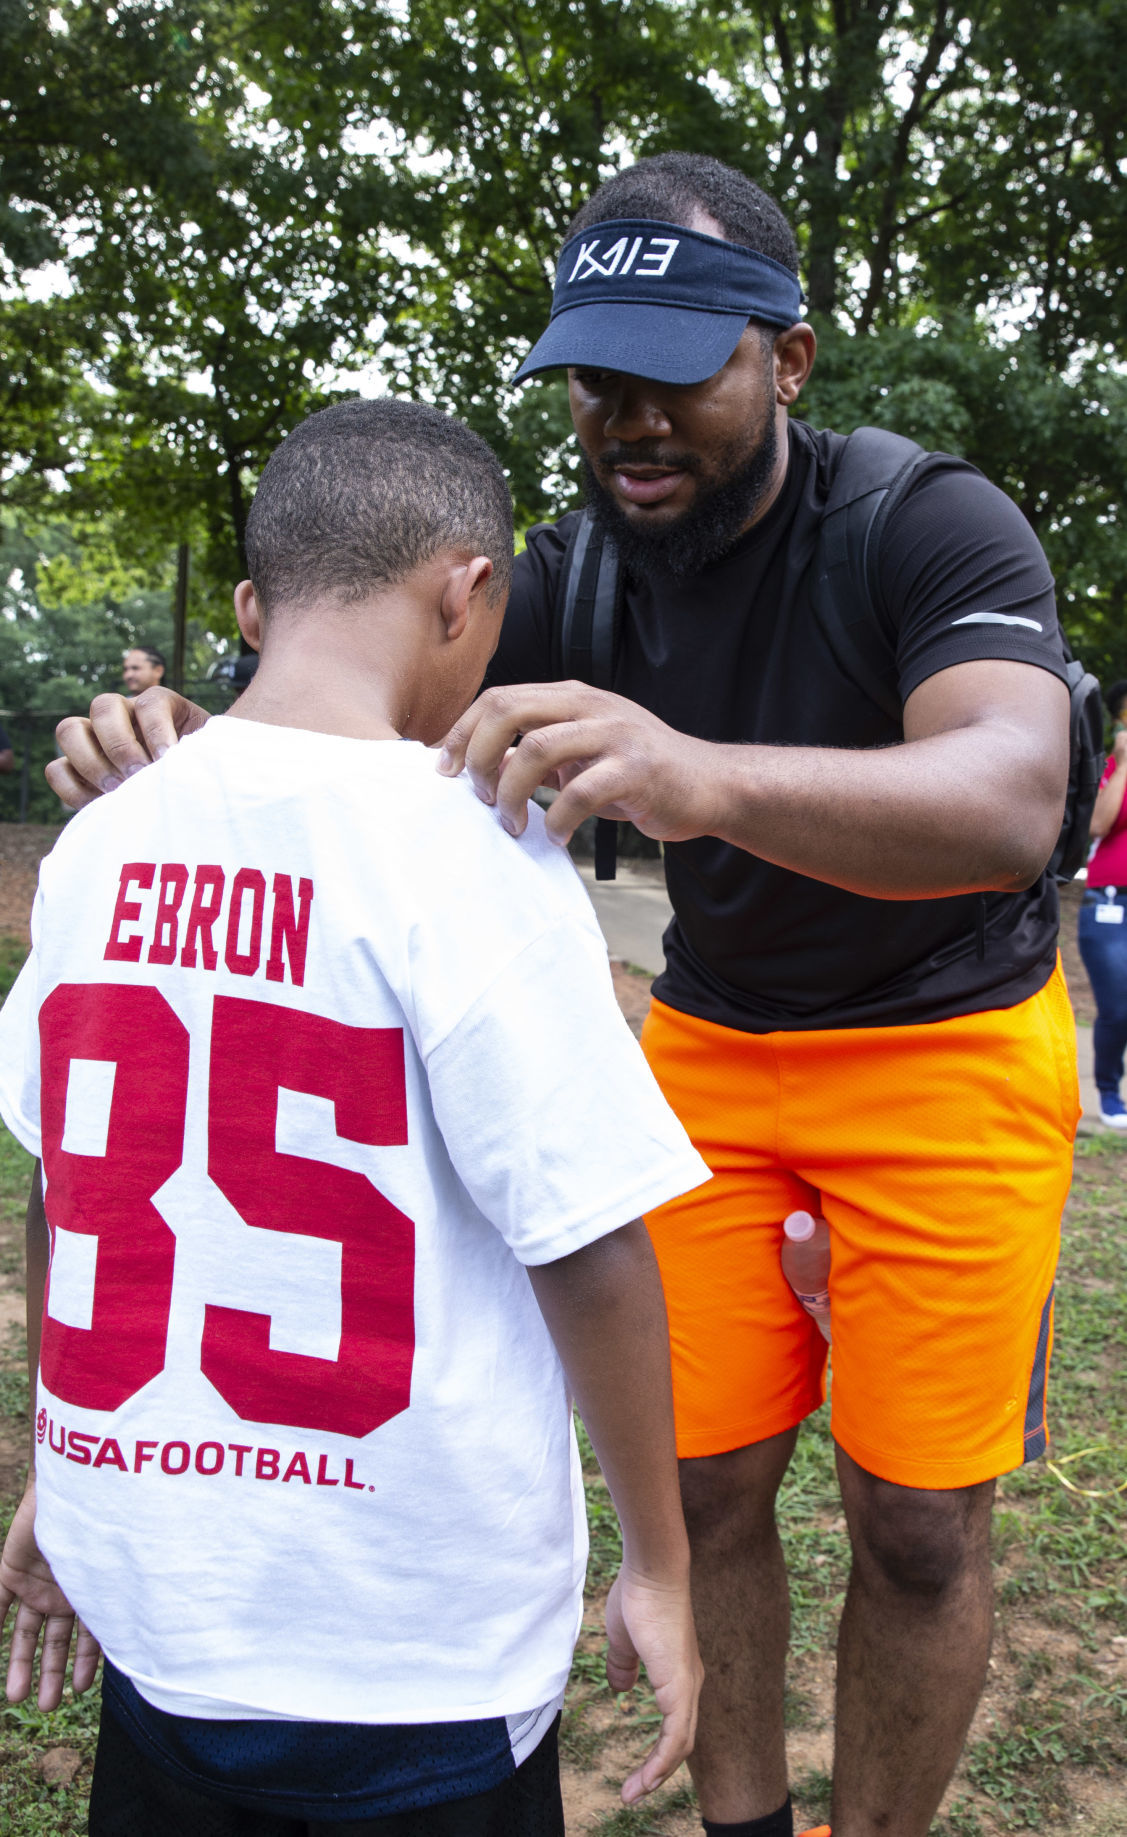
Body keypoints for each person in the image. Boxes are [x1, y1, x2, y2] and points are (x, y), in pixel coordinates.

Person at [44, 154, 1078, 1837]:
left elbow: (1007, 796)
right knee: (704, 1480)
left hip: (946, 1034)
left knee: (914, 1523)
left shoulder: (918, 517)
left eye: (672, 373)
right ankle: (745, 1821)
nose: (627, 420)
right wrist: (158, 747)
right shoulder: (566, 568)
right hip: (718, 1043)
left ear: (786, 361)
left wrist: (701, 773)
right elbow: (335, 699)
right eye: (595, 381)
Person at [0, 398, 709, 1835]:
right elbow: (586, 1244)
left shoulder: (99, 844)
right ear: (471, 591)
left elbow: (67, 1189)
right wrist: (659, 1568)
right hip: (416, 1656)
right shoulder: (478, 850)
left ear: (255, 605)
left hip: (166, 1620)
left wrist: (60, 1464)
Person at [1077, 680, 1127, 1127]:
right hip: (1111, 907)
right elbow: (1097, 826)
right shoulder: (1111, 768)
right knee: (1117, 1006)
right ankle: (1109, 1093)